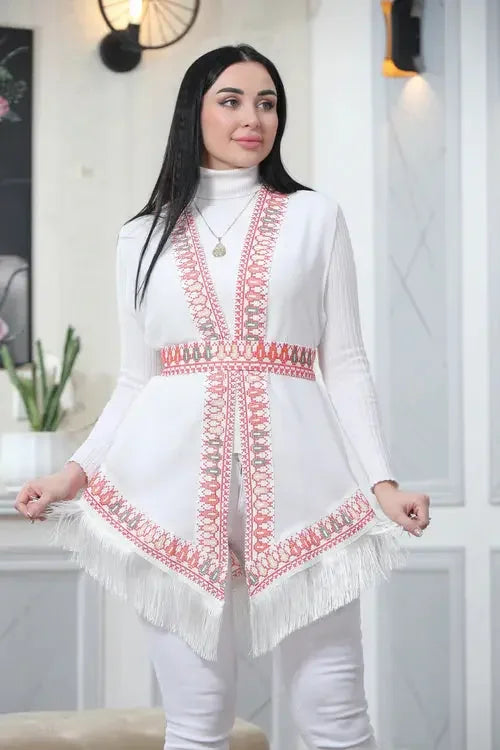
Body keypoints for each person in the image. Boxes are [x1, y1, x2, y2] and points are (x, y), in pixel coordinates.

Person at [14, 44, 431, 750]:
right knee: (197, 724)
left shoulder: (315, 217)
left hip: (308, 500)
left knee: (335, 718)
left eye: (267, 103)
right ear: (194, 112)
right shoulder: (140, 236)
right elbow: (137, 380)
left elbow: (346, 363)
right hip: (169, 502)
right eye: (231, 100)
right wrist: (73, 474)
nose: (253, 118)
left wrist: (382, 484)